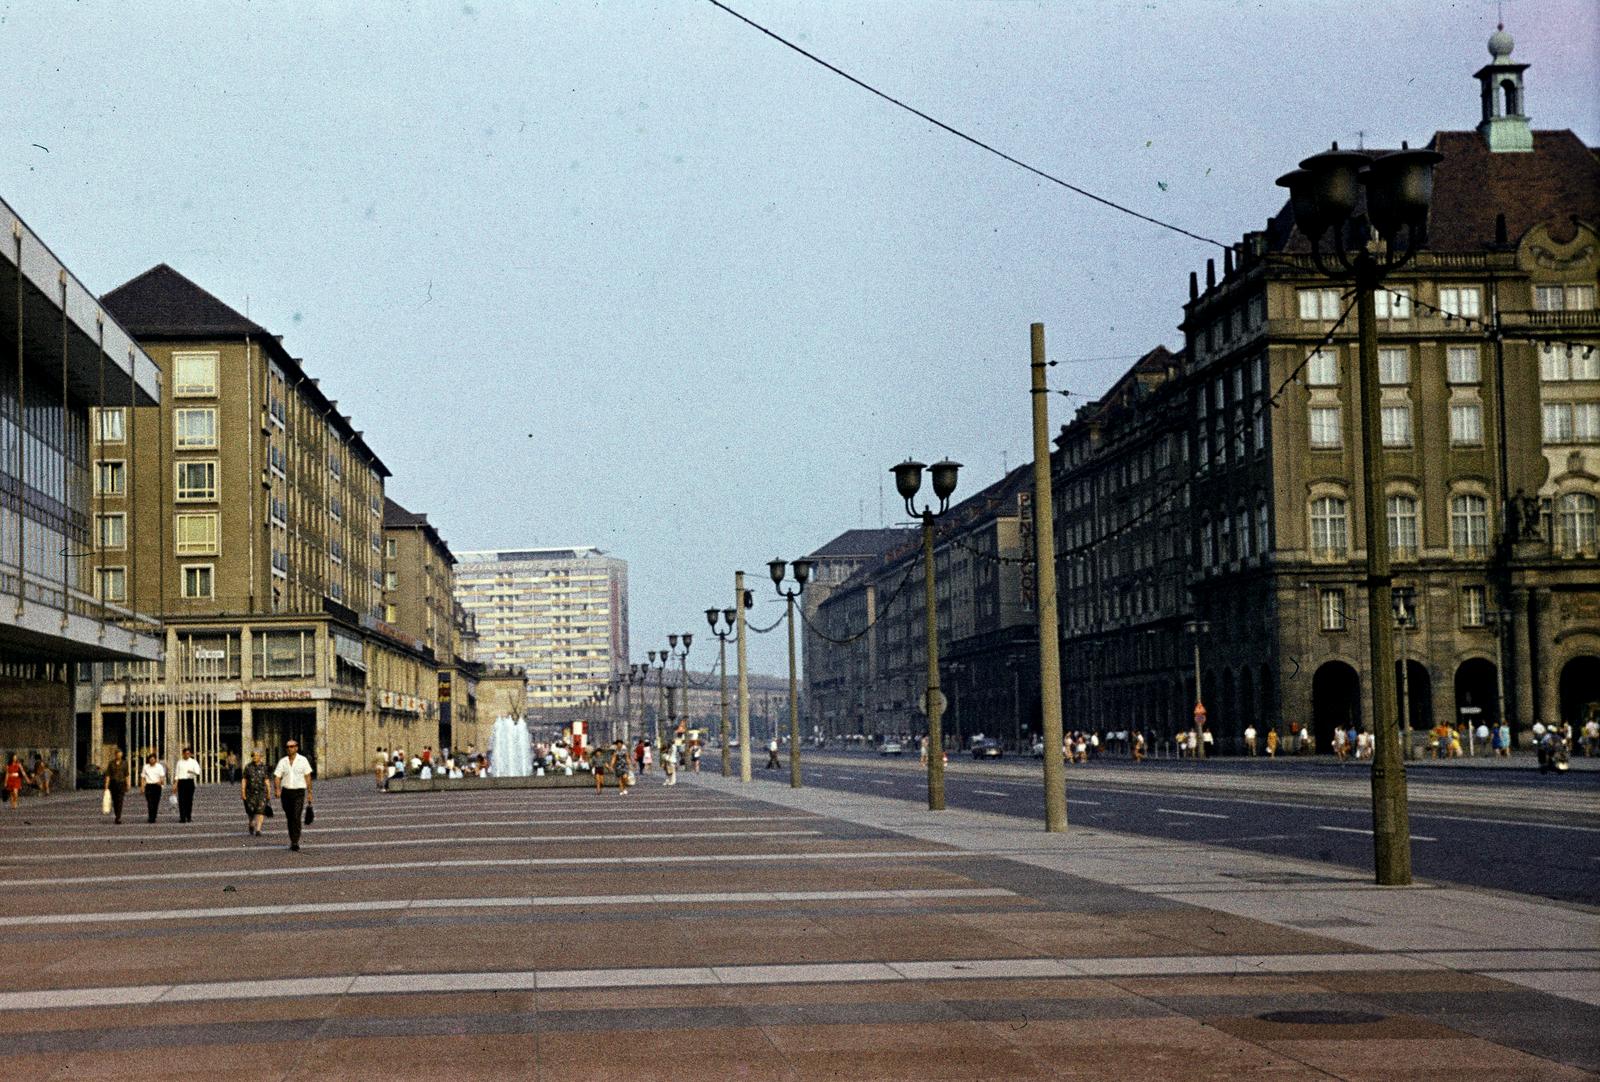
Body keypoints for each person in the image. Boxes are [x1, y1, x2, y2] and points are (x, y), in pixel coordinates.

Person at [272, 740, 314, 851]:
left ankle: (295, 841)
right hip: (286, 793)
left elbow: (308, 776)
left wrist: (309, 793)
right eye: (287, 747)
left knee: (296, 816)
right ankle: (292, 839)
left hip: (299, 792)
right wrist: (277, 789)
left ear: (296, 748)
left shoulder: (303, 760)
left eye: (292, 746)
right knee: (290, 817)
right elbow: (277, 776)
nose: (289, 748)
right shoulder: (283, 761)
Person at [240, 750, 271, 836]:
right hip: (250, 793)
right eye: (253, 755)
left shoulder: (264, 767)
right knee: (251, 811)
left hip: (261, 792)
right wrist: (243, 792)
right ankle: (251, 823)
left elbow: (267, 780)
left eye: (257, 756)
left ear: (260, 757)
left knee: (260, 811)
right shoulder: (248, 767)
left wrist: (269, 792)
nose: (255, 757)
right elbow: (244, 780)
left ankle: (258, 829)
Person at [171, 746, 202, 823]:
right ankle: (182, 818)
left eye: (188, 753)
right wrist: (175, 784)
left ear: (190, 754)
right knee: (181, 800)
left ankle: (188, 816)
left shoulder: (193, 762)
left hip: (189, 782)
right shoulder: (179, 762)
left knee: (189, 800)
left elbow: (198, 772)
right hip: (181, 782)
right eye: (185, 753)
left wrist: (191, 771)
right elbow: (177, 774)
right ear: (183, 754)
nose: (187, 755)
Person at [103, 747, 129, 824]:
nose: (119, 755)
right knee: (115, 801)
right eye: (118, 754)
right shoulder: (111, 763)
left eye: (120, 754)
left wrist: (128, 784)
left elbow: (126, 774)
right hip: (113, 784)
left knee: (120, 800)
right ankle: (116, 814)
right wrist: (106, 785)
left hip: (121, 783)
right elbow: (108, 775)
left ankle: (118, 817)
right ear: (115, 755)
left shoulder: (125, 763)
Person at [139, 753, 167, 823]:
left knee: (156, 803)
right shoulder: (145, 767)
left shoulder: (159, 767)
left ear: (155, 759)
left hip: (157, 786)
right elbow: (143, 777)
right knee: (149, 802)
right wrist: (142, 787)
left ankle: (154, 816)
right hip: (149, 786)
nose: (151, 760)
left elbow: (162, 776)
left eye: (153, 759)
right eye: (150, 759)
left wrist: (161, 782)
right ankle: (150, 817)